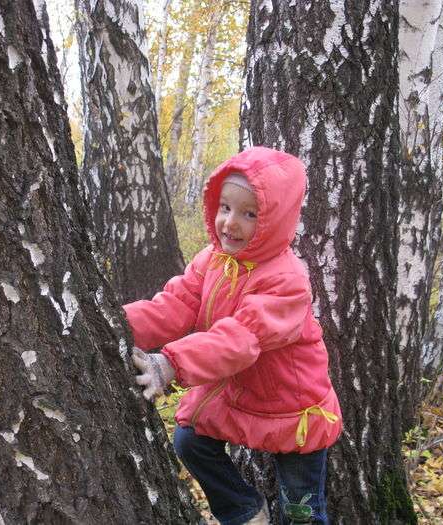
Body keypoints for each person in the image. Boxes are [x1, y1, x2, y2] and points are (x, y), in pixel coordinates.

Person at [123, 146, 342, 525]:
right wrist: (118, 325)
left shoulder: (287, 280)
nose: (230, 223)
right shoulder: (212, 260)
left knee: (301, 513)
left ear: (276, 219)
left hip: (292, 408)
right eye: (225, 208)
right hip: (240, 392)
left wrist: (171, 362)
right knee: (190, 441)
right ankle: (243, 512)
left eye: (249, 214)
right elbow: (175, 305)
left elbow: (240, 339)